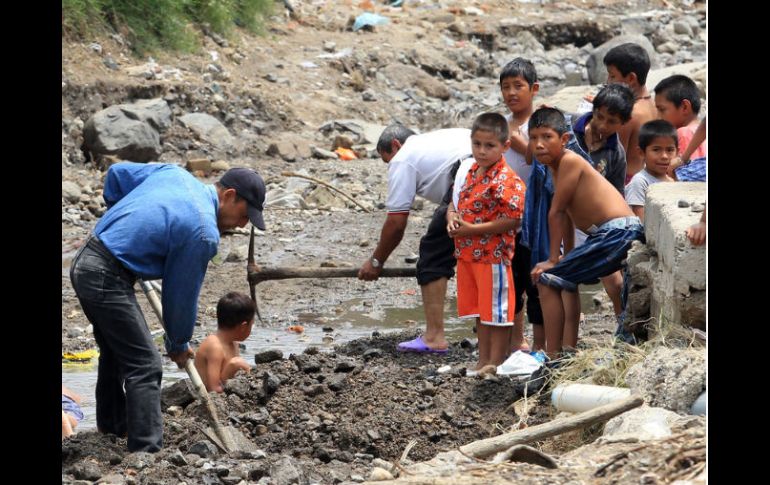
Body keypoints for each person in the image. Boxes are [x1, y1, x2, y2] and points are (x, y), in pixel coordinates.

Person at [69, 162, 266, 452]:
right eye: (244, 214)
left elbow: (116, 174)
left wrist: (121, 219)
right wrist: (178, 342)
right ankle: (146, 452)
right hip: (104, 274)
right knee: (146, 365)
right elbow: (180, 295)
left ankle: (112, 428)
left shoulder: (175, 174)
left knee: (116, 349)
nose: (242, 225)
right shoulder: (202, 232)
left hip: (87, 260)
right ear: (229, 195)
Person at [528, 108, 645, 358]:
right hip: (610, 234)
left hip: (618, 232)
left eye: (546, 137)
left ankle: (554, 357)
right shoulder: (554, 167)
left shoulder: (569, 161)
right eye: (533, 138)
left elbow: (557, 212)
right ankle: (567, 351)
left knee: (546, 280)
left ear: (563, 139)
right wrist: (565, 257)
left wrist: (551, 260)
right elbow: (569, 216)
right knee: (564, 279)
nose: (539, 145)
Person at [358, 125, 472, 353]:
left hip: (468, 177)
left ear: (395, 146)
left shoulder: (403, 157)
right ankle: (511, 341)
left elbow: (396, 223)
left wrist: (376, 261)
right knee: (491, 254)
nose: (391, 167)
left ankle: (434, 337)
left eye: (387, 160)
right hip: (500, 175)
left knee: (433, 255)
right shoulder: (436, 140)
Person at [447, 113, 526, 369]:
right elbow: (455, 202)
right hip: (469, 254)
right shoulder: (470, 170)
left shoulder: (506, 178)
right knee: (481, 311)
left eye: (489, 146)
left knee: (498, 313)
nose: (482, 151)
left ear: (505, 146)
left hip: (493, 255)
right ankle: (483, 361)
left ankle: (495, 361)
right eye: (477, 144)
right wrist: (452, 219)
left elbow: (514, 219)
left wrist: (471, 229)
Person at [568, 83, 635, 322]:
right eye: (600, 117)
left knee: (614, 281)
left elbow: (615, 194)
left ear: (624, 123)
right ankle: (564, 336)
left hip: (590, 221)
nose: (603, 125)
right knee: (560, 279)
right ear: (593, 110)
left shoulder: (615, 153)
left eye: (612, 121)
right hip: (557, 214)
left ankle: (623, 325)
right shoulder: (568, 128)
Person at [498, 57, 545, 353]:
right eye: (506, 87)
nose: (512, 93)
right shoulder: (501, 126)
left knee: (537, 281)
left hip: (537, 213)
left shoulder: (540, 123)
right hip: (505, 214)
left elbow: (548, 157)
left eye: (519, 86)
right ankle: (518, 341)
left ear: (534, 88)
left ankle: (542, 343)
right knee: (510, 278)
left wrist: (519, 144)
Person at [603, 43, 658, 182]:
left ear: (631, 79)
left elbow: (612, 160)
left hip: (624, 183)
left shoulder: (629, 114)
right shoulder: (653, 104)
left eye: (612, 76)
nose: (607, 82)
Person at [195, 292, 255, 392]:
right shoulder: (215, 347)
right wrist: (233, 366)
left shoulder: (233, 343)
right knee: (236, 363)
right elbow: (213, 390)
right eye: (251, 325)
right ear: (243, 327)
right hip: (206, 401)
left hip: (224, 394)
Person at [625, 120, 678, 221]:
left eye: (670, 150)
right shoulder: (640, 182)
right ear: (641, 153)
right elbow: (641, 222)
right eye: (656, 150)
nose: (664, 156)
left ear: (677, 151)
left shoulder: (673, 180)